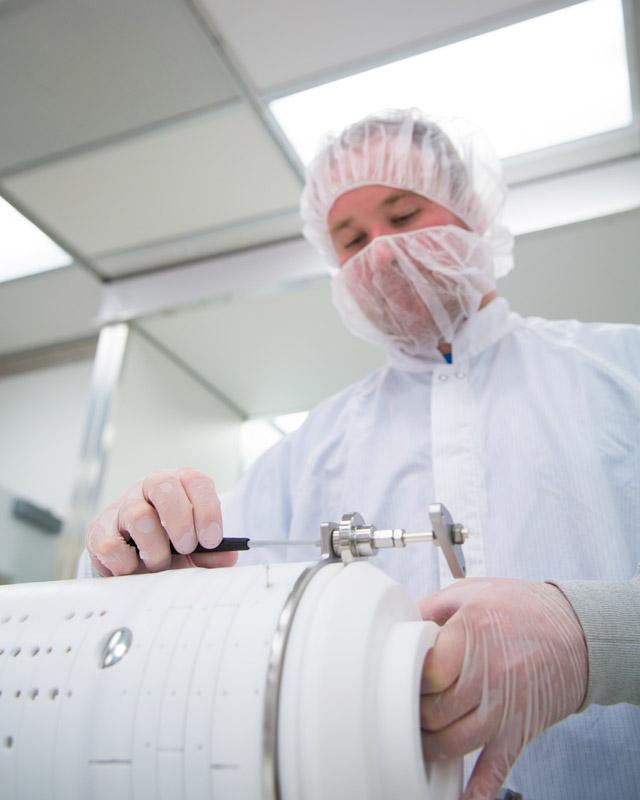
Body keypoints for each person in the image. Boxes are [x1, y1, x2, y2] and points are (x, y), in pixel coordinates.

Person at [80, 109, 640, 800]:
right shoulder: (308, 452)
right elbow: (194, 624)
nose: (379, 251)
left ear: (471, 211)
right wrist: (133, 548)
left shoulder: (623, 374)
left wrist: (599, 640)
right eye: (350, 238)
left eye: (403, 215)